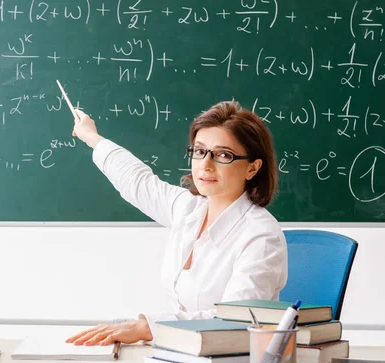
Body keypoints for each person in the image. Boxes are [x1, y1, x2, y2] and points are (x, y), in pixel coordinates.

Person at [65, 101, 287, 346]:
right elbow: (136, 181)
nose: (206, 165)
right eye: (200, 151)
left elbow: (238, 320)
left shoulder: (261, 235)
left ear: (252, 168)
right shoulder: (189, 208)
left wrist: (148, 327)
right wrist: (92, 137)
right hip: (182, 354)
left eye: (223, 155)